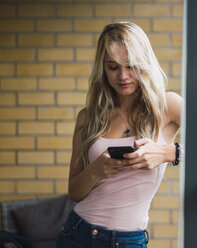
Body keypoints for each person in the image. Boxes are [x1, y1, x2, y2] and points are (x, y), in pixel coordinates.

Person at [56, 22, 182, 248]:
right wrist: (95, 171)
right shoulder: (88, 117)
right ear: (102, 69)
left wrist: (169, 153)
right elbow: (74, 192)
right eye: (112, 66)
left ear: (145, 62)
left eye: (131, 65)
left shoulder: (168, 106)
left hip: (127, 241)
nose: (122, 76)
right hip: (77, 233)